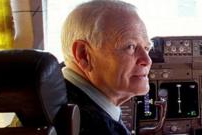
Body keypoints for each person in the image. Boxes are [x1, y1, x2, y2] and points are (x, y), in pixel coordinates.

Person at [61, 0, 152, 134]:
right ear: (84, 55)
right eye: (130, 47)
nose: (147, 60)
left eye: (147, 48)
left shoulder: (58, 94)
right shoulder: (94, 127)